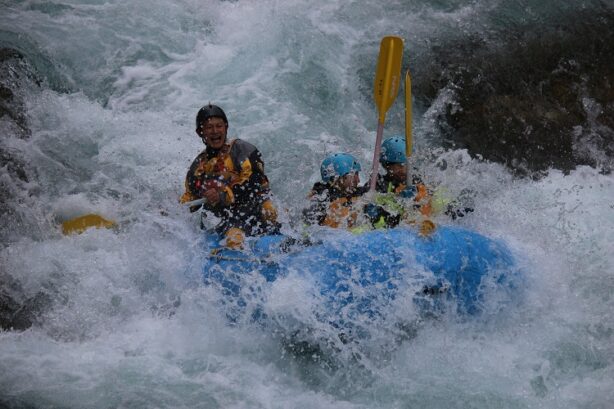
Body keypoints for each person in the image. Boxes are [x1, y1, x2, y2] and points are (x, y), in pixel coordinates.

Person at [180, 104, 280, 248]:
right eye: (209, 127)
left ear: (226, 127)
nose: (215, 131)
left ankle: (287, 235)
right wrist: (173, 210)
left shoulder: (244, 150)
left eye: (219, 126)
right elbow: (191, 198)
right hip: (230, 216)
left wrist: (221, 196)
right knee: (235, 238)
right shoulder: (197, 168)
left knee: (270, 210)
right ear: (200, 132)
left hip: (257, 204)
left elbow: (252, 185)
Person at [302, 153, 368, 229]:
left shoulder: (355, 193)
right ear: (338, 178)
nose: (358, 180)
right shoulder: (320, 201)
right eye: (354, 175)